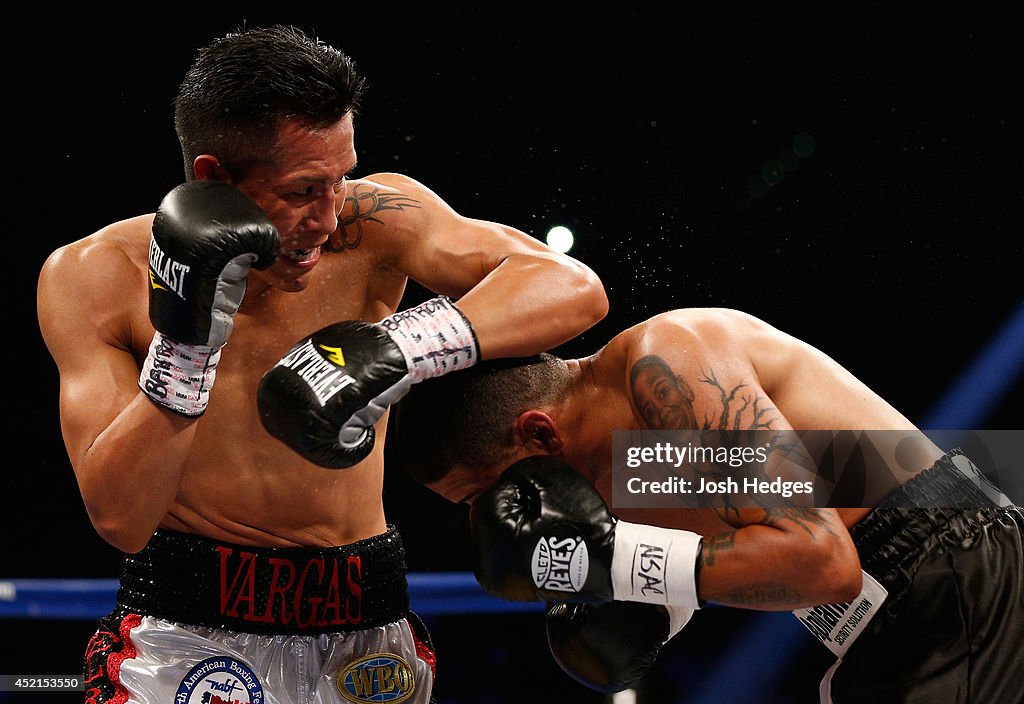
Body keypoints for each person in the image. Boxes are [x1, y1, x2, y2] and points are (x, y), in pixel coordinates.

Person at [36, 24, 608, 704]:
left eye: (342, 179)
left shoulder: (377, 222)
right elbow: (120, 519)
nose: (332, 218)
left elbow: (574, 288)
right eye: (305, 191)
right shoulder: (97, 275)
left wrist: (403, 343)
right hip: (189, 636)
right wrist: (184, 352)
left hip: (367, 631)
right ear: (214, 177)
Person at [394, 307, 1024, 703]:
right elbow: (732, 558)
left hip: (954, 570)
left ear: (538, 434)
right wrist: (632, 615)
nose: (497, 513)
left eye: (484, 493)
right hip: (885, 618)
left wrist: (610, 563)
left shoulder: (667, 360)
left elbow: (820, 562)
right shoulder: (613, 475)